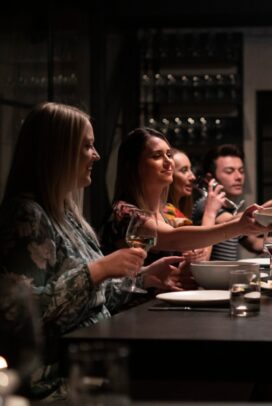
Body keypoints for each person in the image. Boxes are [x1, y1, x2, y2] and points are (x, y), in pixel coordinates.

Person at [0, 103, 184, 398]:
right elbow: (19, 313)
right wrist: (99, 269)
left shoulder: (67, 214)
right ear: (57, 151)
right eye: (86, 147)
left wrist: (144, 278)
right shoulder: (26, 215)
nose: (96, 155)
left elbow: (94, 295)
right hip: (59, 379)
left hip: (95, 360)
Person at [99, 129, 264, 266]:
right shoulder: (124, 212)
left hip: (169, 301)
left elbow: (195, 253)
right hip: (137, 304)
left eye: (169, 154)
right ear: (134, 166)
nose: (168, 162)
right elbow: (174, 239)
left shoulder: (170, 211)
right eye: (157, 156)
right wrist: (240, 225)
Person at [192, 144, 272, 261]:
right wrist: (269, 206)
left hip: (227, 277)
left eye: (241, 171)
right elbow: (236, 223)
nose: (238, 177)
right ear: (210, 179)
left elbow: (254, 243)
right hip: (212, 278)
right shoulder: (205, 205)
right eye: (229, 171)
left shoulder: (230, 209)